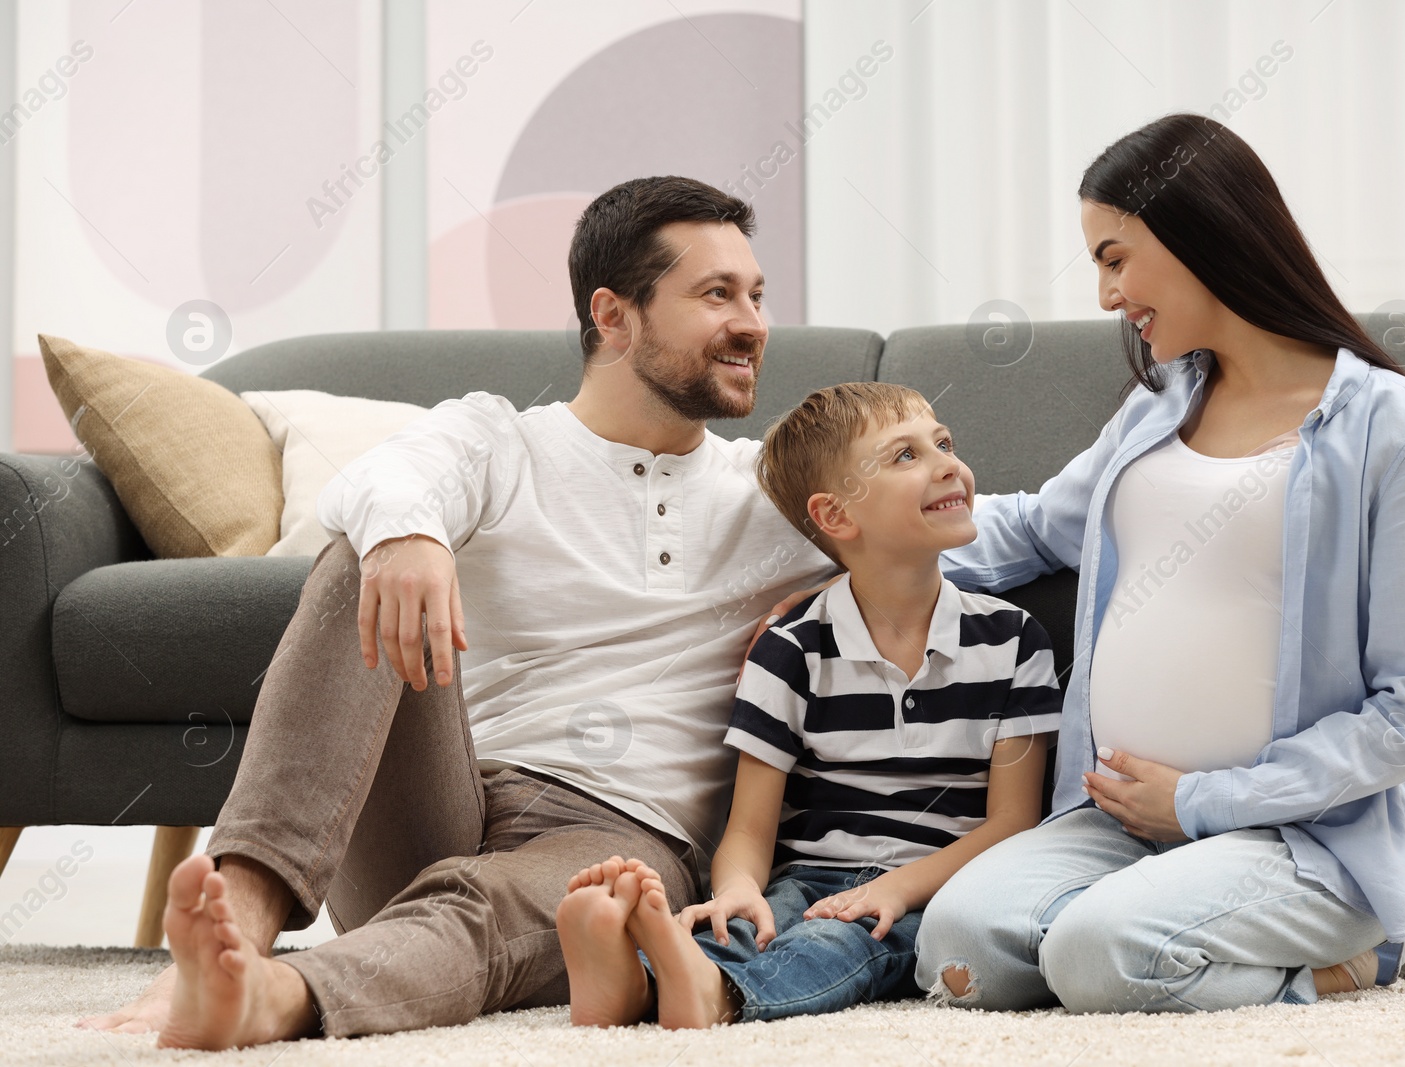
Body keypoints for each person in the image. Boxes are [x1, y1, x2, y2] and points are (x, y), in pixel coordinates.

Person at [77, 175, 842, 1049]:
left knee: (481, 907)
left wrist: (831, 591)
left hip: (615, 837)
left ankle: (267, 995)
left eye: (756, 294)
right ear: (614, 316)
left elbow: (960, 530)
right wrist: (411, 536)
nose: (753, 323)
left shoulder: (771, 496)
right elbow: (379, 482)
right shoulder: (502, 440)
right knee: (367, 549)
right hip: (444, 796)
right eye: (716, 294)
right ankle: (242, 911)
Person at [914, 112, 1405, 1012]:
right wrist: (849, 549)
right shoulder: (1158, 406)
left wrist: (1206, 800)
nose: (1106, 296)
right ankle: (1152, 930)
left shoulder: (1397, 430)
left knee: (1100, 955)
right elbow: (1026, 530)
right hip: (1115, 821)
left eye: (1113, 257)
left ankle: (1352, 958)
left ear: (1198, 232)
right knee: (959, 947)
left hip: (1303, 837)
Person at [553, 383, 1061, 1028]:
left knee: (837, 945)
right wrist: (736, 890)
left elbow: (1011, 824)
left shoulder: (1014, 640)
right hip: (809, 875)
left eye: (943, 443)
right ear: (837, 516)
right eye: (904, 456)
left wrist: (895, 888)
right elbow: (748, 828)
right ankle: (635, 980)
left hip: (933, 889)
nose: (946, 464)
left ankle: (714, 996)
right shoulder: (791, 649)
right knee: (748, 925)